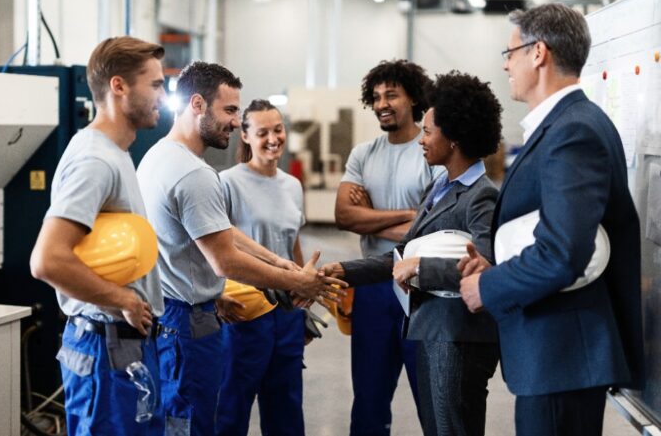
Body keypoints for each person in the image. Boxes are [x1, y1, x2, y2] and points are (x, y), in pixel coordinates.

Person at [458, 3, 644, 436]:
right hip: (559, 357)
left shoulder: (572, 131)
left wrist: (488, 286)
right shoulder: (566, 125)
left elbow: (563, 253)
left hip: (563, 357)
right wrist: (500, 265)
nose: (506, 63)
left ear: (537, 52)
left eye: (510, 52)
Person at [136, 61, 346, 435]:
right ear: (198, 104)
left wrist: (281, 264)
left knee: (184, 419)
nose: (235, 122)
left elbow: (222, 231)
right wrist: (296, 282)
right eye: (230, 111)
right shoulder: (196, 174)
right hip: (189, 321)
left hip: (173, 313)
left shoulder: (157, 157)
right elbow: (224, 259)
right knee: (200, 422)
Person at [323, 71, 503, 436]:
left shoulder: (480, 195)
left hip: (457, 337)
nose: (422, 139)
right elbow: (401, 255)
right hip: (430, 327)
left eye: (429, 131)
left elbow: (488, 267)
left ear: (453, 138)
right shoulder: (439, 187)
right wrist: (341, 270)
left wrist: (422, 266)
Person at [29, 36, 167, 435]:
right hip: (107, 350)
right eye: (155, 85)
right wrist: (123, 298)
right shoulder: (95, 160)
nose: (163, 94)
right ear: (119, 86)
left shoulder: (115, 152)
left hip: (123, 348)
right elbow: (47, 259)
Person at [334, 59, 443, 435]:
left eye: (392, 94)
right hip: (373, 287)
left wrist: (373, 214)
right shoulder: (363, 154)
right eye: (377, 96)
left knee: (433, 400)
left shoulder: (431, 150)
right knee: (368, 401)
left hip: (421, 288)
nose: (382, 102)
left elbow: (438, 229)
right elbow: (345, 216)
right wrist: (412, 216)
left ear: (413, 98)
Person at [215, 99, 308, 436]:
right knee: (230, 409)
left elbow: (292, 242)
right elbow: (213, 246)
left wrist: (304, 290)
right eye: (263, 132)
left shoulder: (292, 186)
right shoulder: (227, 183)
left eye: (278, 129)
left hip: (286, 314)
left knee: (286, 408)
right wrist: (214, 295)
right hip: (243, 312)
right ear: (245, 136)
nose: (273, 139)